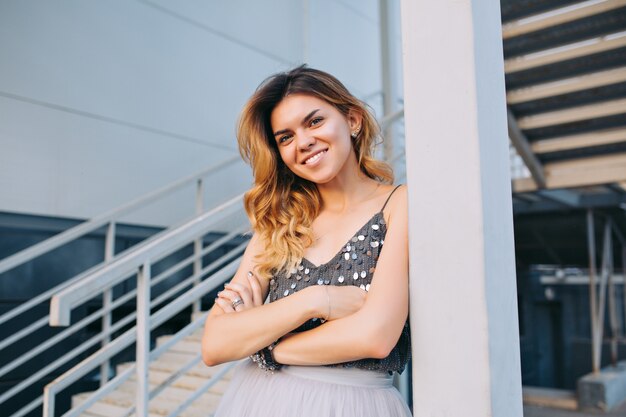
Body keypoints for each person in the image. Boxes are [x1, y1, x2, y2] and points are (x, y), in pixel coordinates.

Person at [201, 65, 411, 417]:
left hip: (355, 405)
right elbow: (215, 344)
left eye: (314, 122)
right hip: (260, 401)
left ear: (353, 120)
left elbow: (375, 336)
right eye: (285, 137)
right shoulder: (279, 223)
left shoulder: (399, 204)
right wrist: (316, 300)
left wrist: (265, 345)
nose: (303, 142)